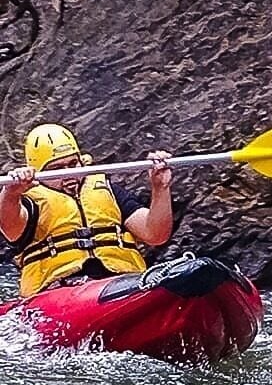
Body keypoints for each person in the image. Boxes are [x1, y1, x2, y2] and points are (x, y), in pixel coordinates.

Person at [0, 123, 173, 297]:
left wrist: (160, 187)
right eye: (56, 168)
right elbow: (8, 224)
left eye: (73, 163)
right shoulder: (28, 202)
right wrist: (10, 193)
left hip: (122, 281)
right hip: (58, 291)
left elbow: (155, 234)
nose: (68, 174)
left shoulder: (108, 191)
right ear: (39, 173)